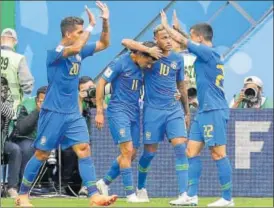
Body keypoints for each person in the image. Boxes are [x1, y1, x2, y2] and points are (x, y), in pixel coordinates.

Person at [15, 2, 117, 207]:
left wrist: (105, 21)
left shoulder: (79, 52)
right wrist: (90, 25)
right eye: (79, 31)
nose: (84, 34)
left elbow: (105, 43)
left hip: (72, 114)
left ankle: (94, 196)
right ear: (69, 34)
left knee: (84, 149)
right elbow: (78, 46)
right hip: (53, 112)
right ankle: (23, 195)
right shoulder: (55, 52)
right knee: (42, 154)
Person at [161, 10, 234, 207]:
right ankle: (191, 196)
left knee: (218, 153)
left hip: (214, 110)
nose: (190, 40)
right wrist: (178, 29)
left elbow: (184, 43)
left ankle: (228, 199)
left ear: (200, 38)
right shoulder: (205, 53)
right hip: (202, 111)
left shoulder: (209, 52)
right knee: (191, 152)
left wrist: (168, 28)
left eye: (193, 36)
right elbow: (186, 42)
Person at [118, 24, 191, 203]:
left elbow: (181, 85)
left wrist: (186, 111)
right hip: (153, 111)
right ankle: (141, 187)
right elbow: (125, 41)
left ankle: (184, 194)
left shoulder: (177, 59)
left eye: (169, 37)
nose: (168, 41)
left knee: (181, 147)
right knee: (149, 153)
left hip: (174, 109)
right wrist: (147, 48)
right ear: (156, 39)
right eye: (164, 37)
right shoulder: (149, 55)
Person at [95, 42, 158, 202]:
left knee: (132, 153)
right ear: (139, 54)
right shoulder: (120, 62)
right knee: (127, 151)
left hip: (135, 112)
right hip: (118, 111)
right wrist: (100, 111)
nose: (149, 66)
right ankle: (130, 194)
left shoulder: (143, 68)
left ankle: (104, 182)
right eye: (148, 61)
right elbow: (101, 83)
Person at [1, 28, 34, 112]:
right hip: (11, 109)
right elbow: (28, 87)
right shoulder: (18, 59)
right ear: (15, 42)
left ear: (1, 39)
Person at [1, 76, 21, 198]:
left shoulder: (8, 100)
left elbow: (11, 113)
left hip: (2, 141)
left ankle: (12, 187)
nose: (3, 91)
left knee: (15, 149)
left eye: (4, 88)